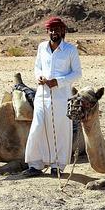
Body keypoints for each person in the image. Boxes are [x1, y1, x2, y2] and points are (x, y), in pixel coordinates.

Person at [21, 16, 82, 177]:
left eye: (57, 29)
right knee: (37, 128)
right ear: (48, 31)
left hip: (61, 98)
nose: (54, 32)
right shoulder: (42, 47)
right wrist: (39, 77)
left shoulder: (70, 50)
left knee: (60, 131)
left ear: (63, 31)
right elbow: (37, 67)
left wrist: (59, 82)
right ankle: (35, 165)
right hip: (42, 96)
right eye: (51, 30)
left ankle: (58, 166)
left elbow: (77, 73)